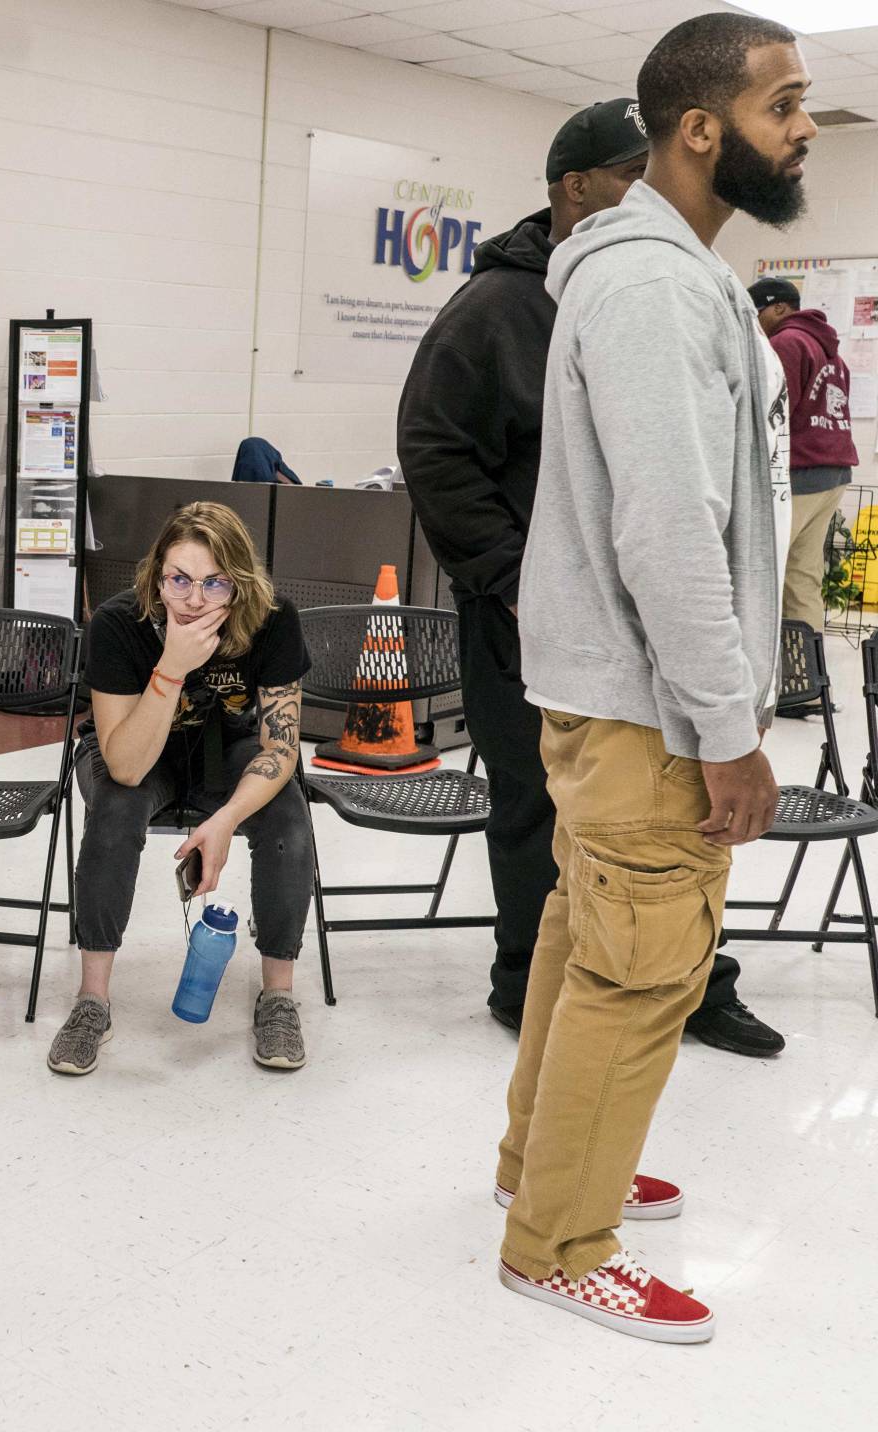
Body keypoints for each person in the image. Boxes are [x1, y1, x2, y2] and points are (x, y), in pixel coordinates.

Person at [492, 13, 814, 1343]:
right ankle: (562, 1243)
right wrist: (730, 728)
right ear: (700, 129)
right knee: (643, 971)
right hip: (651, 706)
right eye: (786, 104)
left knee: (587, 934)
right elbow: (668, 525)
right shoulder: (652, 288)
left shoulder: (660, 277)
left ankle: (539, 1168)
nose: (805, 130)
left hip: (621, 696)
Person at [399, 98, 784, 1059]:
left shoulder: (658, 279)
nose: (648, 188)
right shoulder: (497, 307)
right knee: (537, 806)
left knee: (668, 814)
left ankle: (692, 982)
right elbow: (434, 449)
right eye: (630, 172)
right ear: (576, 185)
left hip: (645, 622)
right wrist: (510, 576)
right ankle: (528, 983)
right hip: (531, 618)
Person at [50, 502, 313, 1075]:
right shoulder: (119, 624)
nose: (195, 599)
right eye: (180, 580)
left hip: (234, 744)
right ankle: (92, 1000)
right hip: (140, 746)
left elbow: (280, 748)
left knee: (288, 815)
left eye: (215, 582)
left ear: (239, 584)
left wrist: (224, 820)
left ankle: (277, 996)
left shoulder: (272, 618)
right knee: (116, 809)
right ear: (156, 576)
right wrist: (171, 665)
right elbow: (123, 765)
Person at [751, 274, 859, 691]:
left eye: (756, 312)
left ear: (777, 308)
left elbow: (773, 414)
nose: (755, 323)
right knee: (803, 578)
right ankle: (806, 684)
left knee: (761, 578)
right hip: (832, 475)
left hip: (797, 476)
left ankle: (762, 685)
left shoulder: (786, 344)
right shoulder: (833, 352)